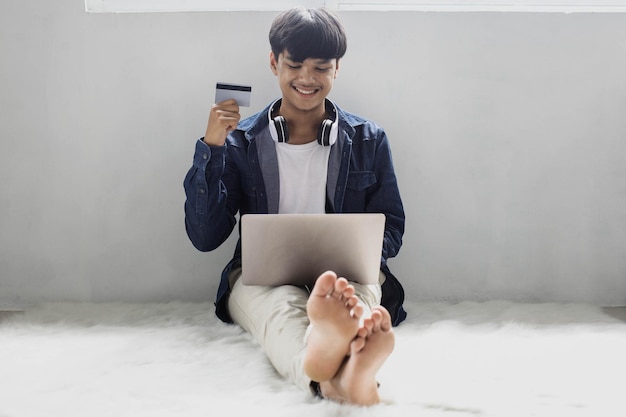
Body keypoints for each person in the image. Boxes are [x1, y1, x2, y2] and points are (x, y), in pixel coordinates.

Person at [183, 7, 406, 405]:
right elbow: (204, 236)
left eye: (321, 67)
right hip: (263, 277)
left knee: (355, 297)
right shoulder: (240, 143)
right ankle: (349, 375)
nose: (307, 78)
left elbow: (392, 227)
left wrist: (361, 252)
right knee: (282, 313)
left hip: (347, 274)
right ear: (274, 63)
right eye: (295, 65)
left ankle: (330, 377)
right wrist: (212, 148)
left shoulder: (370, 140)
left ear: (337, 70)